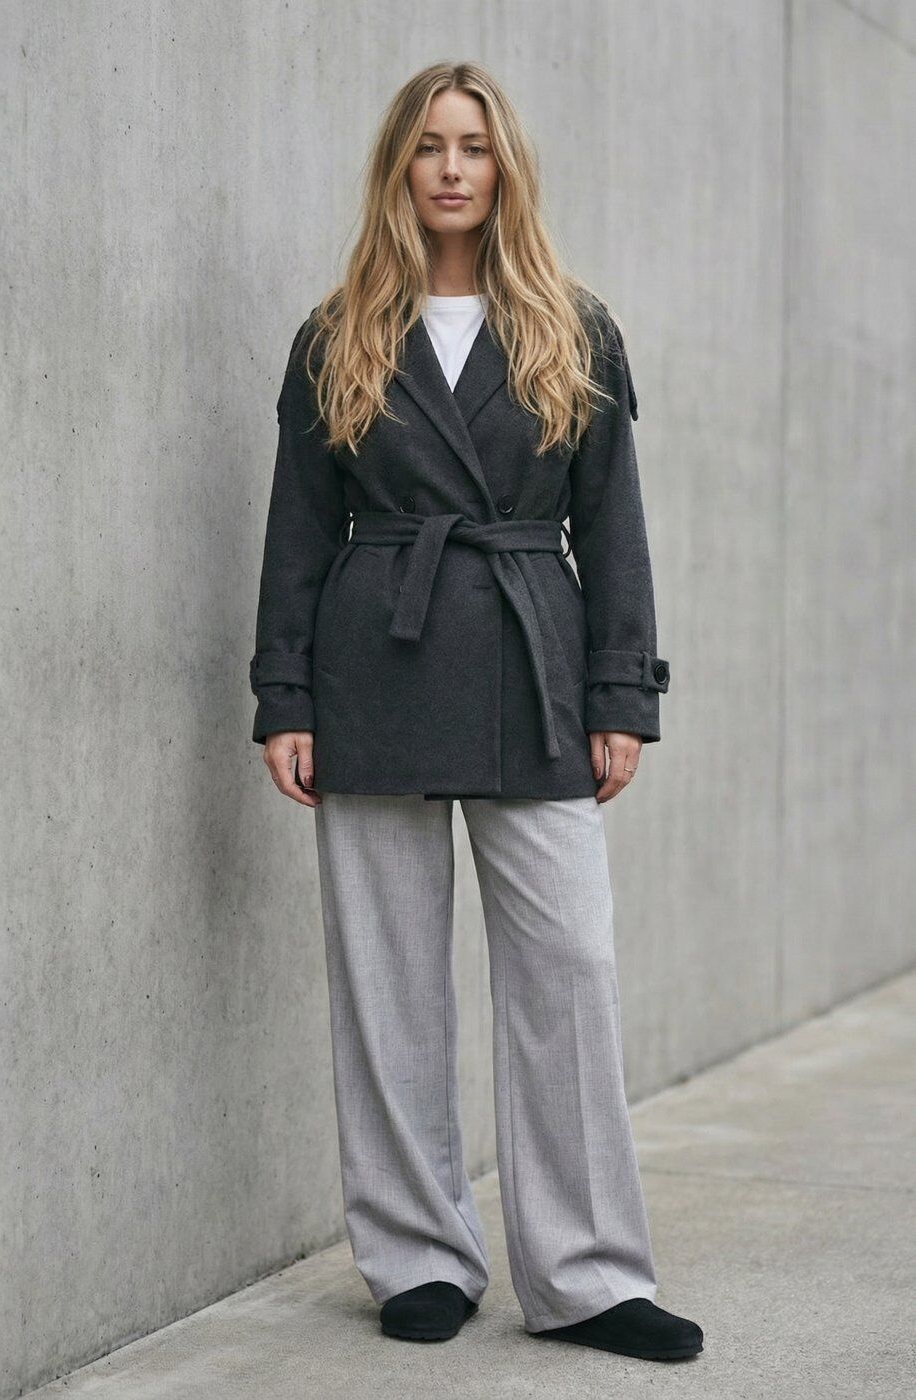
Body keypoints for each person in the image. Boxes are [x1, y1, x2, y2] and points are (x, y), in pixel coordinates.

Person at [249, 61, 703, 1362]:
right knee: (386, 978)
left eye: (475, 147)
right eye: (429, 147)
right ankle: (417, 1256)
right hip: (373, 666)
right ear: (397, 167)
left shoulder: (573, 326)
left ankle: (587, 1275)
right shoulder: (338, 332)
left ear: (506, 169)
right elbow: (297, 528)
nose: (452, 169)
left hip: (530, 662)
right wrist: (285, 693)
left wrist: (621, 693)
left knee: (570, 969)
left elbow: (612, 527)